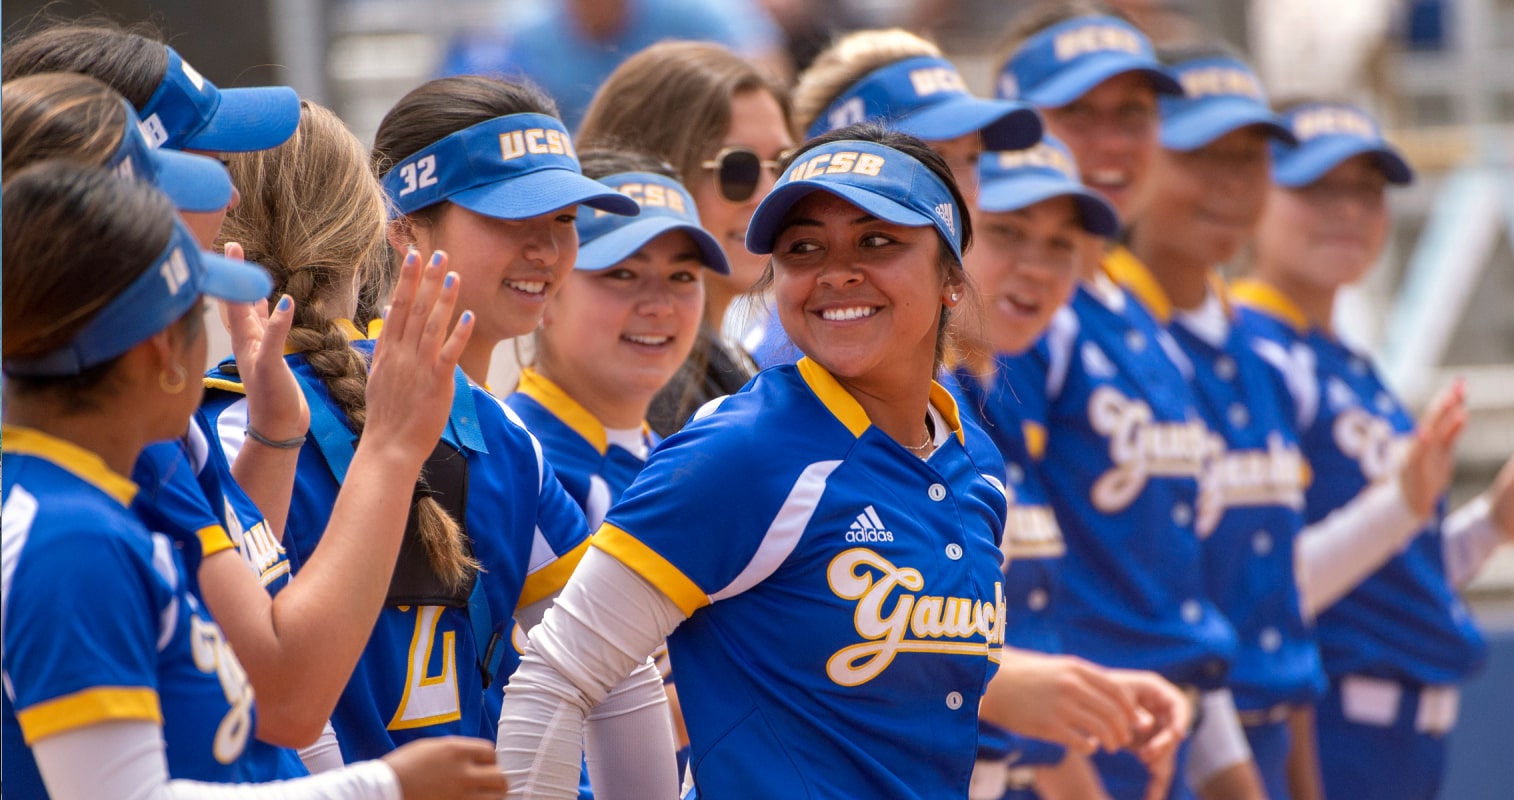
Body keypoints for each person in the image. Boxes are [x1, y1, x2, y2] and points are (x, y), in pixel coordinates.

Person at [498, 124, 1188, 799]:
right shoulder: (742, 451)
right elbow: (557, 677)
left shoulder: (972, 457)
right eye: (804, 249)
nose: (837, 272)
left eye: (876, 240)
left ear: (952, 276)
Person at [1, 160, 505, 799]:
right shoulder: (67, 538)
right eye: (195, 312)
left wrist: (274, 438)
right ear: (160, 348)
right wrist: (382, 788)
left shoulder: (92, 497)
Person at [995, 8, 1245, 798]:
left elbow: (1177, 592)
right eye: (1078, 113)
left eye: (1132, 114)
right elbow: (1003, 587)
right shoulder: (1017, 317)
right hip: (1057, 747)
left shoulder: (1132, 313)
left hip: (1160, 733)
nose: (1110, 143)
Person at [1236, 100, 1514, 800]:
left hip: (1401, 739)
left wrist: (1491, 526)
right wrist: (1401, 505)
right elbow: (1259, 588)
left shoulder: (1346, 363)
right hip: (1325, 729)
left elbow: (1393, 580)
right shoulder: (1247, 353)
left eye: (1367, 190)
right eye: (1316, 186)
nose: (1349, 211)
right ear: (1252, 195)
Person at [948, 136, 1140, 800]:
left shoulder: (989, 406)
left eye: (1062, 244)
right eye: (1007, 232)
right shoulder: (894, 415)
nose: (1038, 267)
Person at [745, 27, 1045, 369]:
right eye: (936, 159)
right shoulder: (787, 367)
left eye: (973, 158)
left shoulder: (923, 349)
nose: (970, 192)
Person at [575, 41, 795, 435]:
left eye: (782, 165)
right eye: (737, 170)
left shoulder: (725, 359)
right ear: (651, 178)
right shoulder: (646, 378)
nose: (769, 195)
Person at [438, 0, 787, 129]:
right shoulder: (522, 30)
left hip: (691, 161)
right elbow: (473, 112)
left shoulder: (694, 10)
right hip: (576, 178)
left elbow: (767, 73)